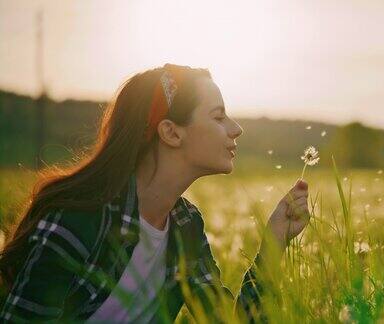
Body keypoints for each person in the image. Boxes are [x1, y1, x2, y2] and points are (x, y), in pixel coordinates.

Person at [0, 64, 310, 323]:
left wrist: (275, 240)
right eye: (218, 117)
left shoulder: (184, 224)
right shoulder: (78, 218)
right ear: (171, 132)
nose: (236, 128)